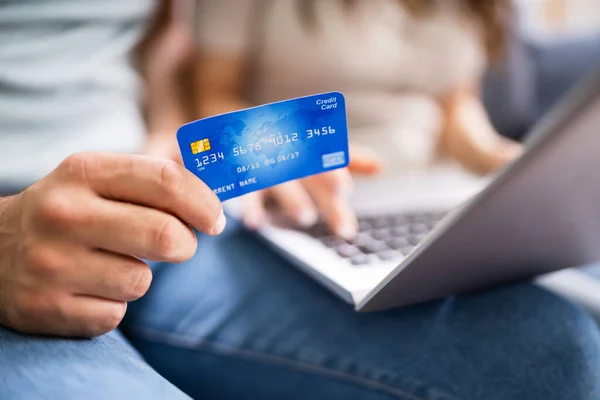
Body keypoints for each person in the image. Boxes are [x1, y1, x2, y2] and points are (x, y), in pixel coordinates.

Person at [0, 0, 599, 399]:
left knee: (555, 357)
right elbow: (204, 78)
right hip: (23, 225)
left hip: (166, 217)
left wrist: (524, 165)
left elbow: (160, 56)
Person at [193, 0, 524, 237]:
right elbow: (211, 92)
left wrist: (498, 157)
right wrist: (276, 155)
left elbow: (454, 103)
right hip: (306, 200)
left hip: (437, 191)